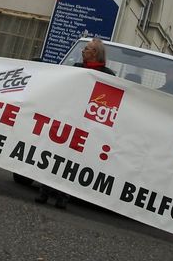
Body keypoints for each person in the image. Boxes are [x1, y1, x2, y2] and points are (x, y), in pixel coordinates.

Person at [35, 38, 115, 209]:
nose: (83, 51)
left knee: (73, 159)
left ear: (95, 53)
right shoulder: (76, 69)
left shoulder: (108, 76)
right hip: (67, 117)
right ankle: (44, 190)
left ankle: (63, 195)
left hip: (86, 123)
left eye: (87, 48)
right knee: (55, 153)